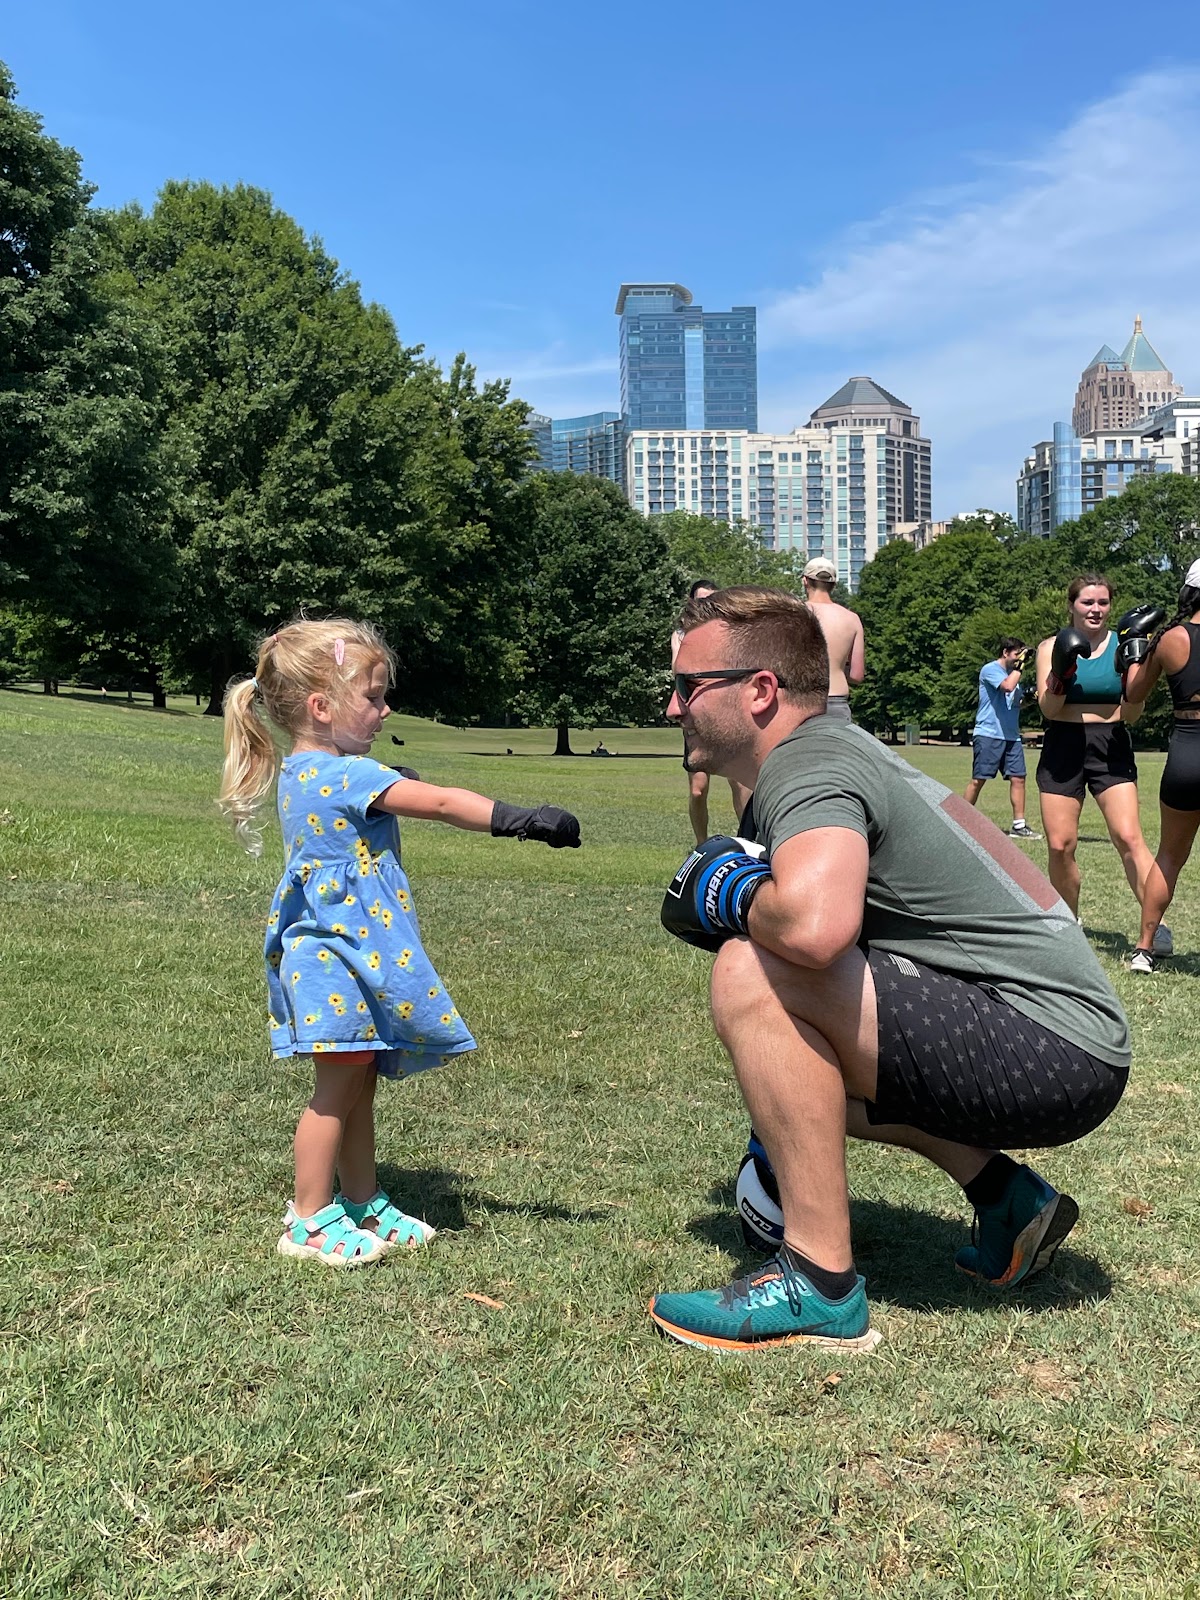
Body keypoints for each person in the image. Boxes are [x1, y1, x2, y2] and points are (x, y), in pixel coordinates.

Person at [652, 586, 1129, 1352]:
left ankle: (820, 1283)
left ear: (762, 691)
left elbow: (813, 927)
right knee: (796, 1079)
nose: (674, 709)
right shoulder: (826, 752)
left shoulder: (809, 763)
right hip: (1068, 1040)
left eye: (687, 687)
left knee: (752, 969)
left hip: (1055, 1046)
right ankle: (1006, 1198)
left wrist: (727, 891)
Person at [218, 617, 580, 1268]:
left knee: (357, 1082)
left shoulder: (310, 769)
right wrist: (519, 820)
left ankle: (360, 1199)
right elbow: (440, 802)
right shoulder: (351, 777)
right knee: (335, 1092)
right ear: (322, 707)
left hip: (336, 952)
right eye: (374, 697)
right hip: (337, 956)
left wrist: (380, 773)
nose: (386, 710)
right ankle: (307, 1219)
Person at [1034, 574, 1169, 955]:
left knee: (1128, 838)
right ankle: (1067, 920)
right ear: (1072, 606)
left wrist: (1134, 671)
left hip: (1110, 744)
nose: (1095, 610)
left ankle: (1155, 926)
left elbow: (1133, 713)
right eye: (1087, 603)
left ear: (1111, 607)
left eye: (1103, 603)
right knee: (1061, 845)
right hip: (1063, 744)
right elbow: (1048, 708)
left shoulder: (1124, 646)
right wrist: (1061, 673)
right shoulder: (1051, 646)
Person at [1121, 559, 1200, 972]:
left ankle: (1144, 950)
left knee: (1169, 856)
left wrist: (1134, 643)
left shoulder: (1171, 638)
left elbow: (1133, 692)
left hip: (1187, 753)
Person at [674, 580, 752, 841]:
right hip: (696, 716)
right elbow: (679, 670)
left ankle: (749, 842)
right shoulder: (681, 636)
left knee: (739, 782)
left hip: (726, 714)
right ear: (692, 602)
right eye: (701, 600)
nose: (707, 605)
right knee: (698, 789)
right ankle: (701, 846)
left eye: (712, 599)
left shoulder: (729, 633)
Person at [964, 637, 1041, 838]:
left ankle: (1018, 825)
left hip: (1011, 736)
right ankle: (959, 820)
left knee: (1018, 778)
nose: (1019, 660)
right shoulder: (990, 670)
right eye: (1017, 655)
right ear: (1006, 652)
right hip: (989, 734)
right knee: (979, 779)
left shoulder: (1013, 675)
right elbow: (1006, 687)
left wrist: (1029, 700)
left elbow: (1014, 702)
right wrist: (1021, 668)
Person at [801, 556, 865, 722]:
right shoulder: (852, 619)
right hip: (838, 703)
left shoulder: (795, 614)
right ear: (833, 585)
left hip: (802, 701)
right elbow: (857, 675)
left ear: (805, 581)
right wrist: (837, 666)